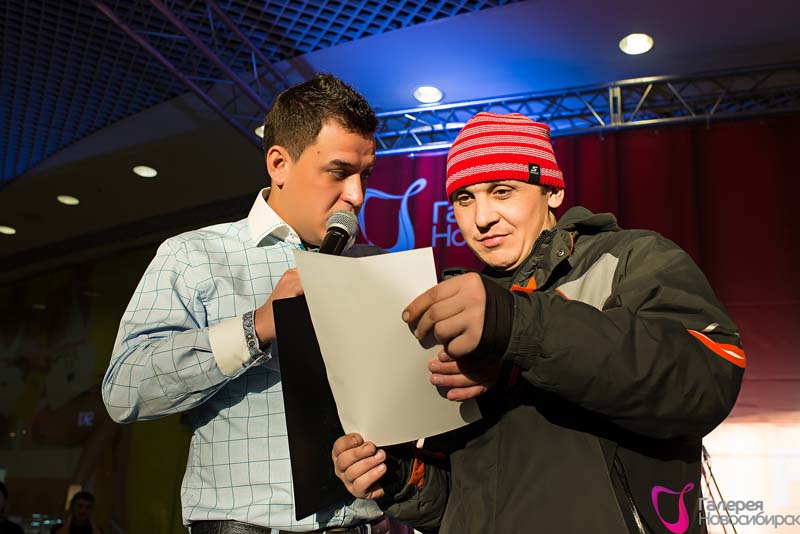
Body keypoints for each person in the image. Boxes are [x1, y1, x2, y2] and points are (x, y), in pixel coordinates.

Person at [332, 112, 745, 533]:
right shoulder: (457, 312)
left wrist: (517, 326)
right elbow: (461, 504)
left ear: (553, 190)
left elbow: (708, 379)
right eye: (464, 199)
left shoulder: (631, 258)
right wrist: (401, 477)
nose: (481, 217)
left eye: (502, 191)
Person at [104, 74, 400, 533]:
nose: (357, 195)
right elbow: (124, 391)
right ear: (279, 164)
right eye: (339, 172)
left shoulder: (375, 266)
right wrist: (256, 327)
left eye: (366, 176)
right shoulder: (195, 255)